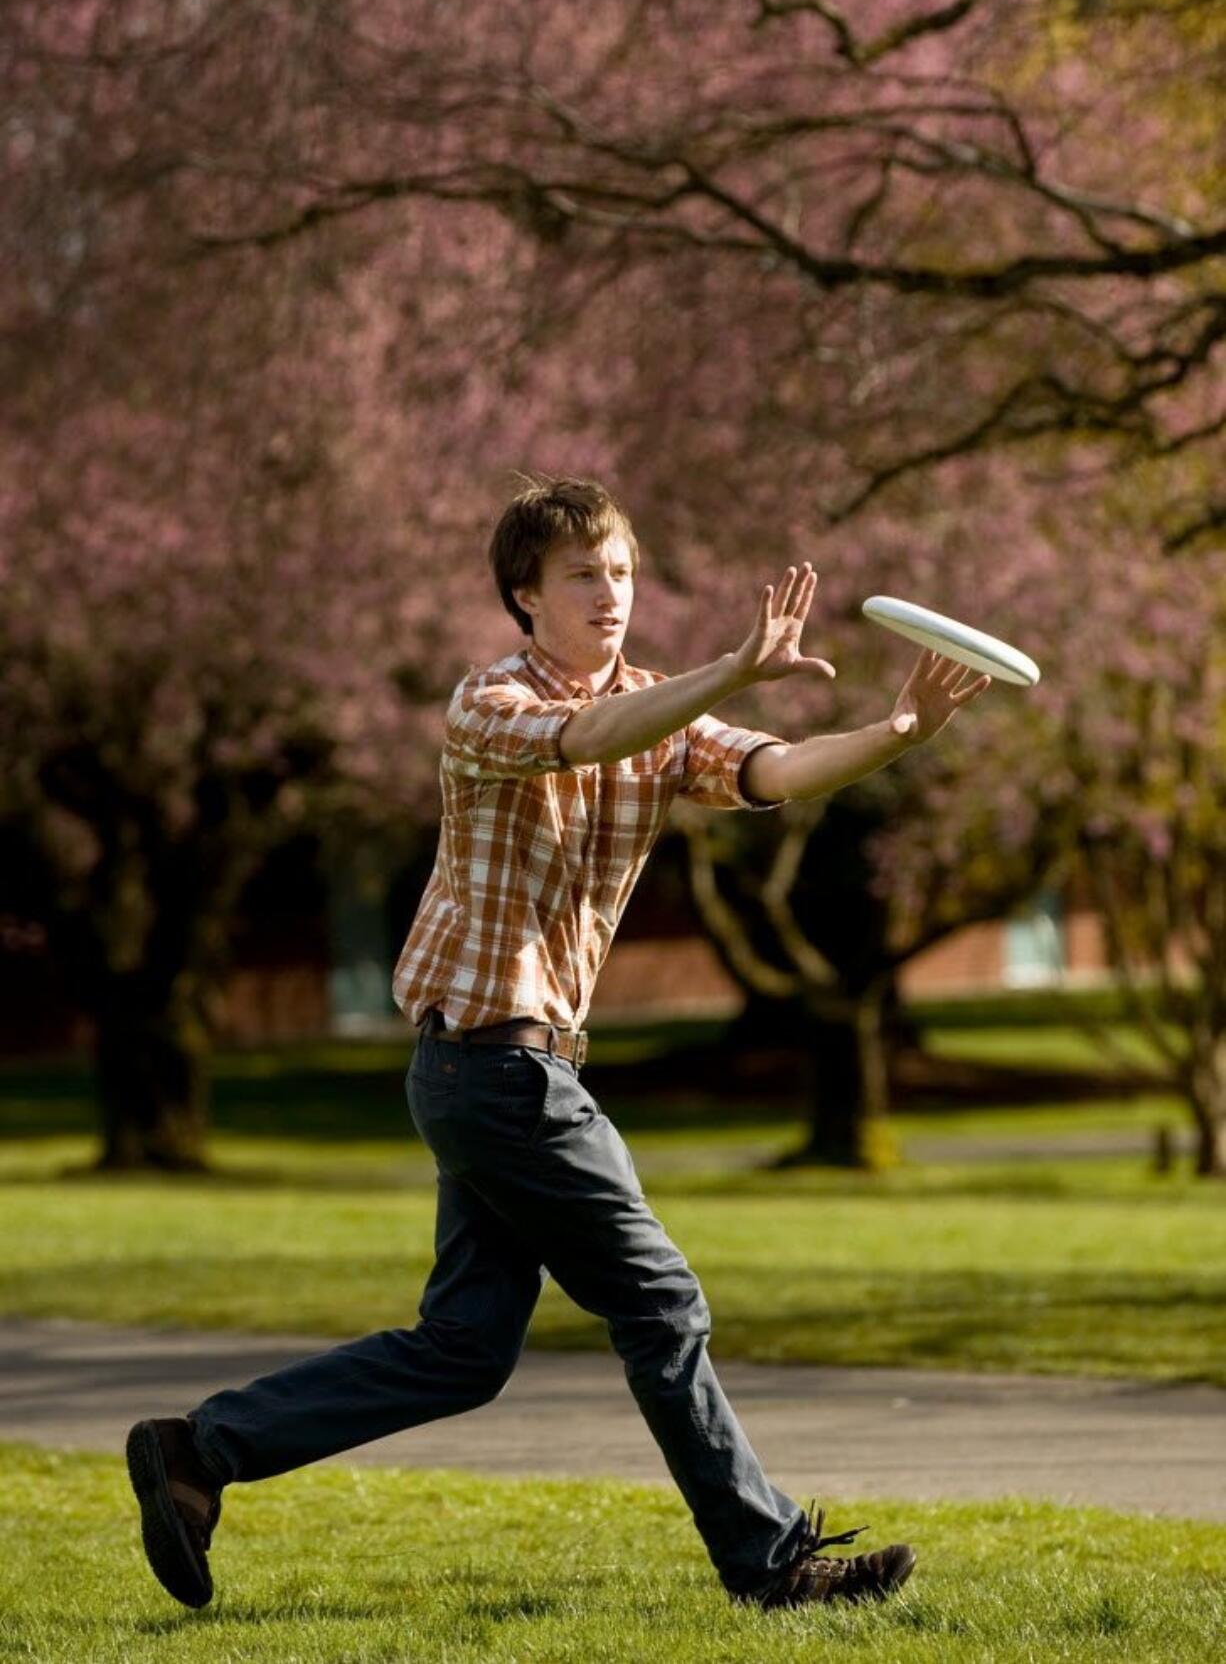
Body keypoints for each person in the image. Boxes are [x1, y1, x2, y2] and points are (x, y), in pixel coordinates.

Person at [127, 474, 991, 1613]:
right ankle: (771, 1559)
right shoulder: (487, 701)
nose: (610, 592)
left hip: (498, 1070)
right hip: (495, 1066)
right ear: (524, 596)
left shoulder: (656, 705)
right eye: (584, 574)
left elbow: (769, 769)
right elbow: (586, 734)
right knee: (661, 1299)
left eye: (622, 571)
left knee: (463, 1351)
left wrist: (895, 730)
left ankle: (199, 1451)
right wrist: (729, 667)